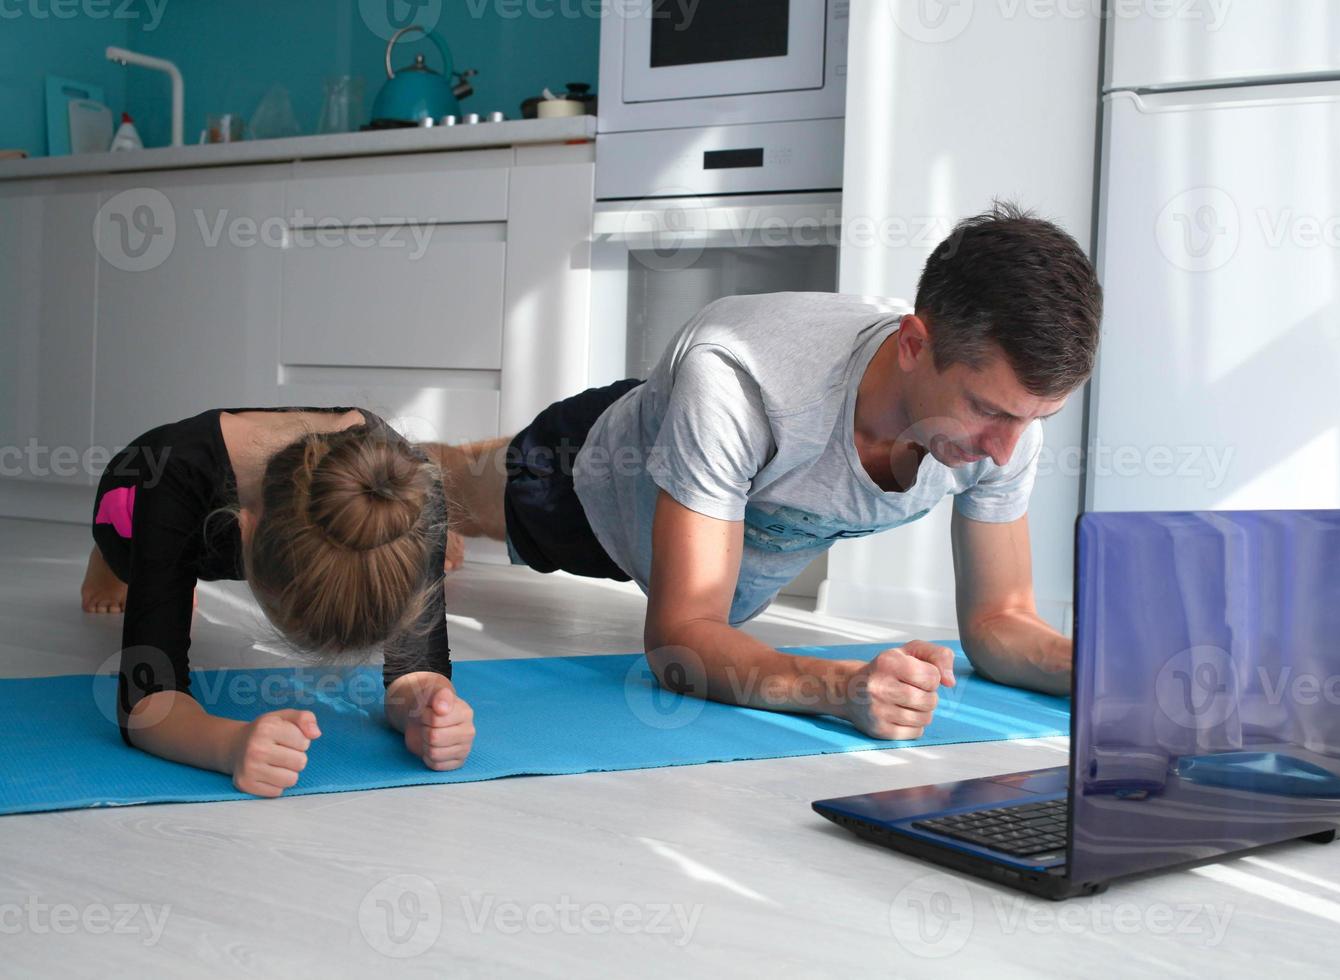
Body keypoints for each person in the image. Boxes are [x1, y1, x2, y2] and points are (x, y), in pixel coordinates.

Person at [433, 203, 1101, 740]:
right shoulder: (737, 379)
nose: (1006, 452)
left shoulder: (1007, 422)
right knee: (434, 488)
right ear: (914, 346)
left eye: (1033, 420)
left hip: (712, 466)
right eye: (986, 411)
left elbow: (1000, 620)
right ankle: (345, 437)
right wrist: (838, 688)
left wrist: (1103, 670)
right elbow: (681, 641)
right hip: (591, 479)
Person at [82, 407, 476, 796]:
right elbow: (146, 703)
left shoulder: (403, 490)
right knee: (133, 551)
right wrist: (228, 745)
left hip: (235, 509)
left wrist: (426, 708)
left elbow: (417, 668)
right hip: (132, 500)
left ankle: (167, 573)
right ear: (245, 533)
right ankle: (135, 566)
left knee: (172, 563)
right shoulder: (173, 470)